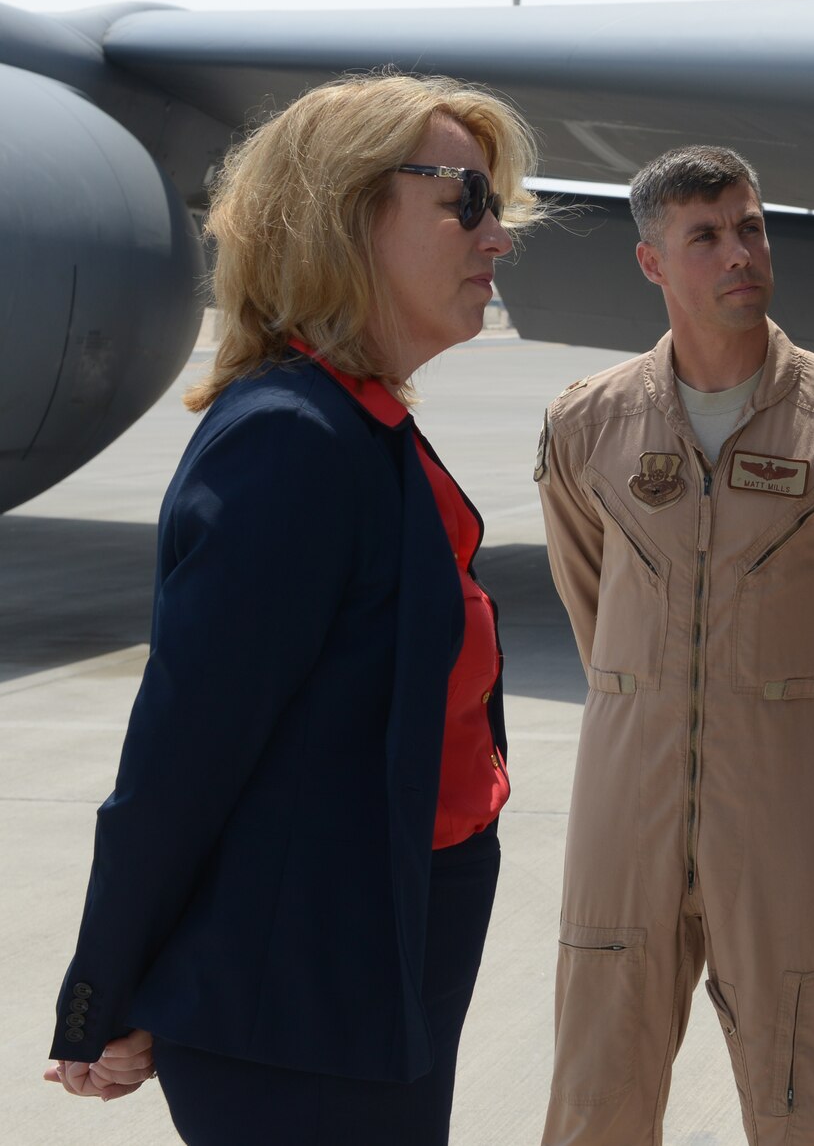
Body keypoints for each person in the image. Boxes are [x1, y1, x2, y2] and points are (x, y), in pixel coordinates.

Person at [43, 72, 543, 1143]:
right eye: (465, 198)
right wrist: (103, 992)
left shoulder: (360, 425)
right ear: (346, 214)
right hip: (297, 1012)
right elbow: (186, 749)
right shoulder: (290, 442)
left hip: (378, 973)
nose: (496, 235)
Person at [536, 145, 814, 1146]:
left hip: (788, 817)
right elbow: (590, 597)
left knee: (804, 1095)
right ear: (652, 263)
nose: (738, 252)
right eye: (705, 236)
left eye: (750, 227)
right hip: (626, 808)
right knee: (595, 1094)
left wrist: (790, 739)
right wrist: (652, 706)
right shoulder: (588, 427)